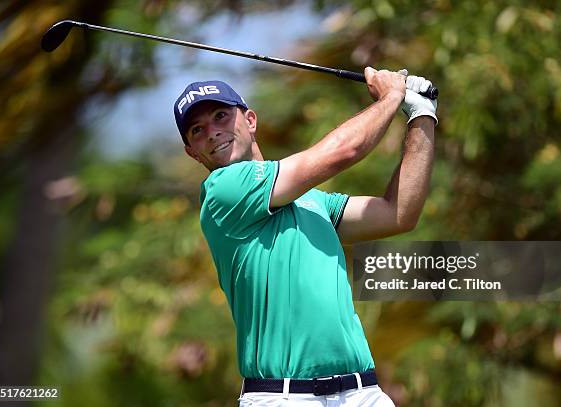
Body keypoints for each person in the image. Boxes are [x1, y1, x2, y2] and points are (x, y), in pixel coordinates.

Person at [173, 67, 437, 406]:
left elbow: (399, 213)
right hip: (283, 397)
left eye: (221, 116)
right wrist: (391, 97)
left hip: (361, 392)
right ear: (192, 152)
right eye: (197, 130)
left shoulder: (312, 200)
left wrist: (421, 115)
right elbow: (342, 152)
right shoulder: (223, 191)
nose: (212, 132)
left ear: (250, 120)